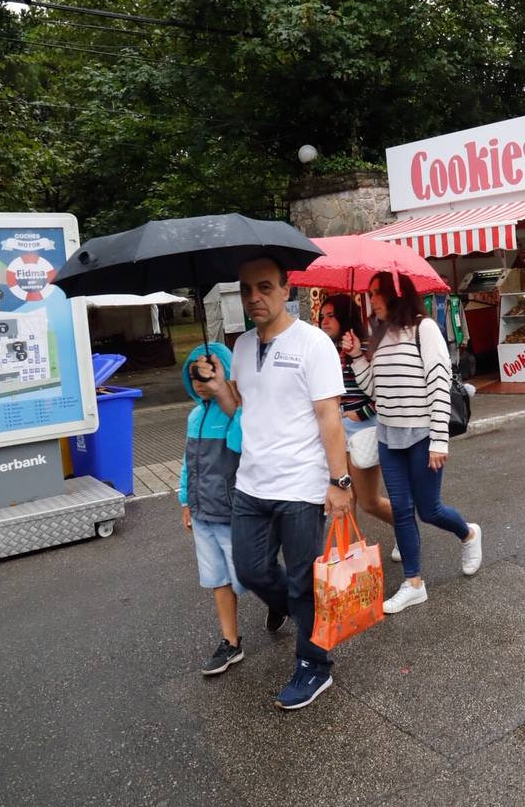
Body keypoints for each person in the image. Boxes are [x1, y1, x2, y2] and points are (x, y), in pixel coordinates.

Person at [195, 255, 351, 711]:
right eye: (246, 290)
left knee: (304, 580)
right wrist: (219, 384)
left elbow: (329, 416)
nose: (254, 298)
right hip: (252, 484)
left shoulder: (313, 344)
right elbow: (241, 408)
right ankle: (299, 613)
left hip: (301, 486)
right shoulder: (241, 346)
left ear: (287, 290)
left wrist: (339, 482)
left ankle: (315, 664)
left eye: (264, 288)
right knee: (250, 570)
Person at [343, 273, 482, 615]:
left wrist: (439, 440)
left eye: (377, 293)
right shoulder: (379, 336)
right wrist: (358, 357)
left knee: (428, 509)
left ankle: (468, 534)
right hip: (389, 437)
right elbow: (375, 390)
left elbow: (438, 386)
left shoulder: (425, 329)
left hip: (421, 436)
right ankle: (414, 583)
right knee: (402, 511)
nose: (371, 299)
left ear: (396, 294)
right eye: (369, 293)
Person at [177, 342, 245, 676]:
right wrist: (186, 500)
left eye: (208, 374)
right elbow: (188, 462)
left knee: (246, 575)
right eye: (195, 377)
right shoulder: (194, 416)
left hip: (231, 511)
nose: (201, 384)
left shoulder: (238, 412)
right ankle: (231, 642)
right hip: (203, 512)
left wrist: (229, 401)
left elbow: (242, 443)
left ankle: (280, 604)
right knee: (218, 579)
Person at [317, 295, 400, 561]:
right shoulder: (323, 350)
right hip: (336, 432)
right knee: (344, 500)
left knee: (368, 501)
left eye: (331, 315)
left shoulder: (365, 347)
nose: (325, 321)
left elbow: (384, 393)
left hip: (362, 429)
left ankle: (405, 529)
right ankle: (345, 558)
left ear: (345, 316)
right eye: (322, 317)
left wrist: (360, 412)